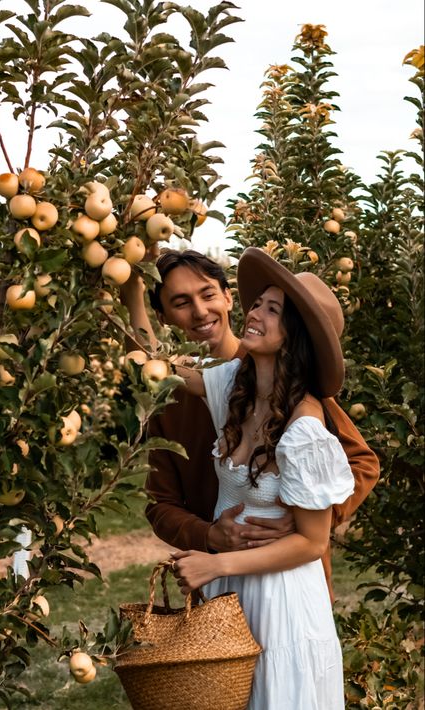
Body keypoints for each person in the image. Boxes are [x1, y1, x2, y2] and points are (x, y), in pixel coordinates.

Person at [121, 248, 379, 601]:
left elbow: (362, 462)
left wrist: (307, 516)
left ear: (228, 297)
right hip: (219, 591)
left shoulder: (289, 386)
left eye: (208, 294)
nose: (199, 311)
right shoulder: (191, 392)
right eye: (181, 302)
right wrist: (208, 536)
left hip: (287, 584)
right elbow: (148, 370)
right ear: (163, 317)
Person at [168, 247, 357, 708]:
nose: (254, 313)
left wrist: (216, 563)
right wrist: (134, 281)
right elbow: (161, 370)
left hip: (281, 602)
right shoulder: (236, 388)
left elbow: (313, 544)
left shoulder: (305, 428)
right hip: (231, 593)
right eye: (258, 303)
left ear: (295, 335)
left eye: (273, 309)